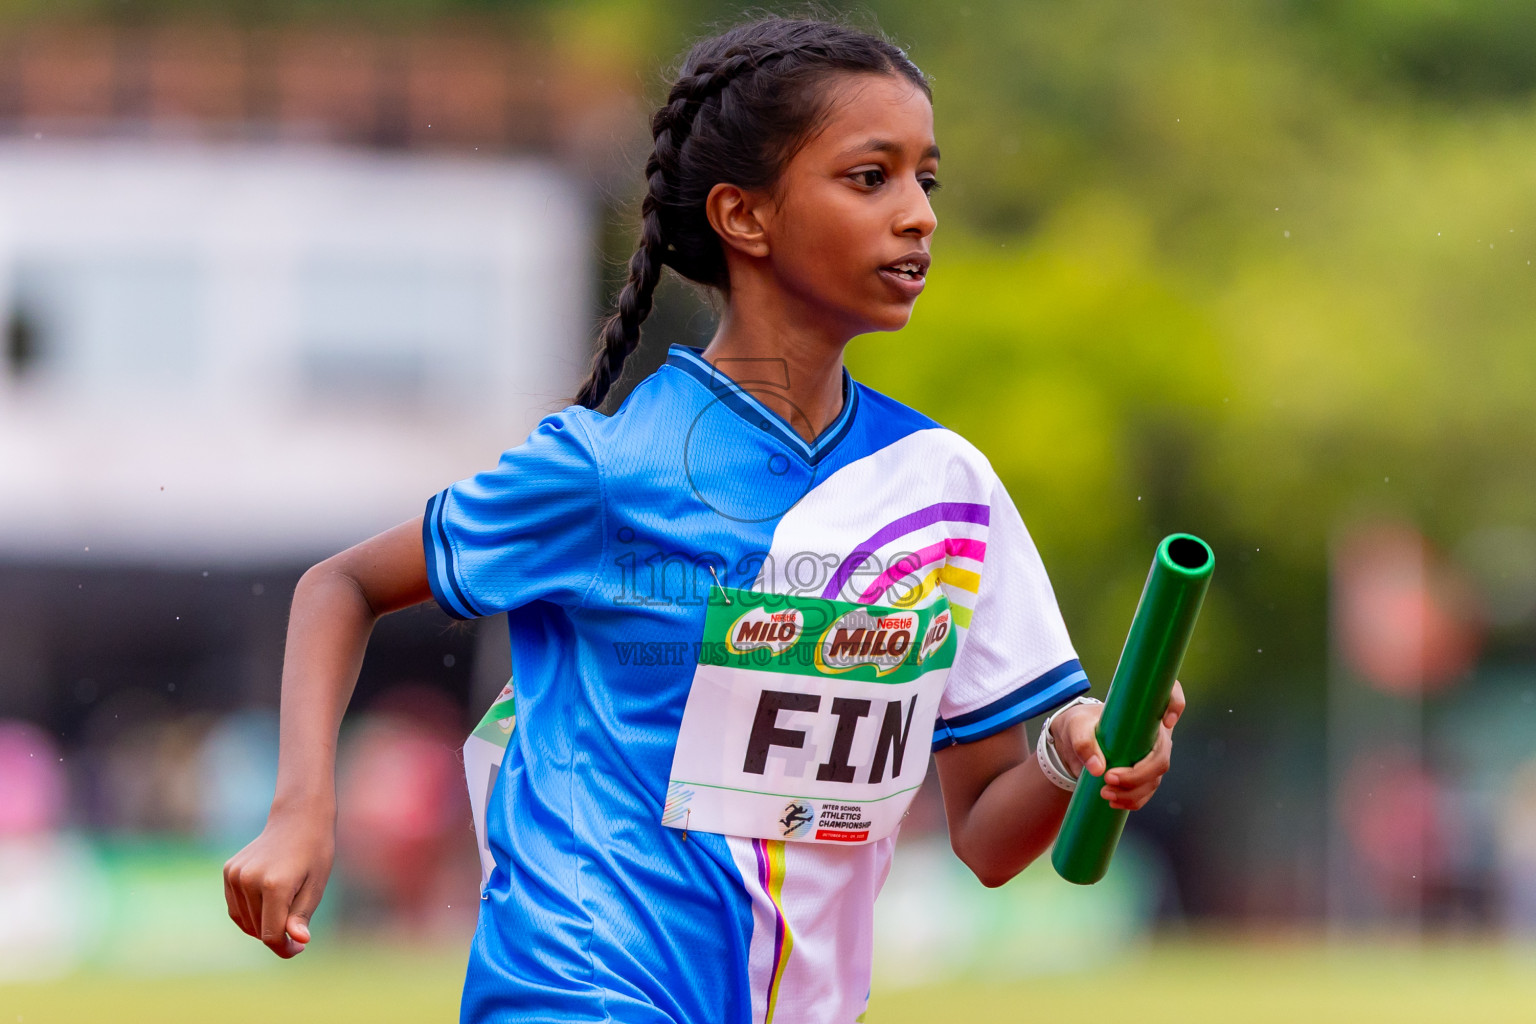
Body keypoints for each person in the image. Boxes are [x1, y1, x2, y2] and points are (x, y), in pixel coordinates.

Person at [222, 15, 1186, 1023]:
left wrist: (1074, 751)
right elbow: (341, 584)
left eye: (926, 181)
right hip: (579, 989)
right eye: (871, 178)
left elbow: (986, 837)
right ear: (744, 216)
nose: (918, 216)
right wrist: (302, 809)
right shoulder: (609, 469)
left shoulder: (945, 491)